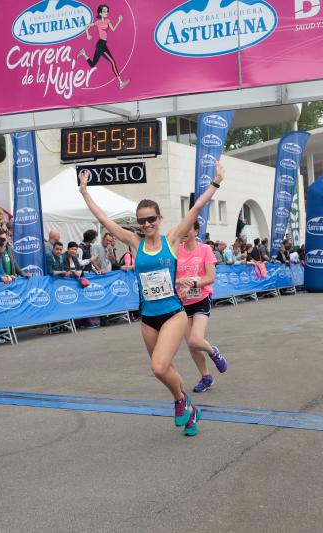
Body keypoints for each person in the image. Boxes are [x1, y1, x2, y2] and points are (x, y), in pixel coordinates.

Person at [78, 163, 226, 436]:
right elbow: (102, 218)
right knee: (166, 368)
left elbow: (195, 209)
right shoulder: (134, 242)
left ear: (159, 219)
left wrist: (216, 182)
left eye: (151, 219)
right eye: (142, 220)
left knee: (158, 367)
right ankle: (190, 411)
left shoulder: (172, 240)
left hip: (173, 313)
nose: (146, 224)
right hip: (148, 318)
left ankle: (180, 401)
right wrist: (84, 191)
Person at [176, 221, 228, 394]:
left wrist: (193, 284)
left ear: (196, 230)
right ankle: (206, 377)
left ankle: (213, 352)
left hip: (201, 298)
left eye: (188, 228)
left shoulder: (205, 249)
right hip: (182, 303)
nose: (183, 231)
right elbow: (169, 276)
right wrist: (179, 284)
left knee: (195, 340)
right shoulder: (176, 250)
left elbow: (211, 277)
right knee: (191, 346)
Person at [77, 4, 129, 90]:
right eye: (104, 11)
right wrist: (88, 35)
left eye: (107, 11)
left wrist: (119, 21)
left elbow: (113, 29)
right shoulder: (97, 22)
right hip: (100, 45)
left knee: (93, 65)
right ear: (100, 13)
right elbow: (86, 26)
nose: (106, 12)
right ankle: (120, 83)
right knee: (113, 62)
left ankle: (84, 53)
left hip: (102, 44)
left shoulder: (108, 21)